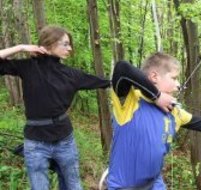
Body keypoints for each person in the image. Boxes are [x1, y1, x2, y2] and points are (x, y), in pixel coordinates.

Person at [0, 26, 174, 190]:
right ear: (49, 43)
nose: (70, 49)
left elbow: (112, 81)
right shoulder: (28, 67)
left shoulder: (71, 75)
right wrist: (21, 47)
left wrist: (154, 93)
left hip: (64, 141)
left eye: (70, 44)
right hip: (35, 141)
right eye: (65, 44)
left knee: (73, 186)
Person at [107, 52, 201, 190]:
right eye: (173, 78)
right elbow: (122, 69)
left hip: (154, 184)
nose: (178, 84)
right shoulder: (129, 100)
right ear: (154, 77)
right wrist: (157, 96)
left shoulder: (174, 112)